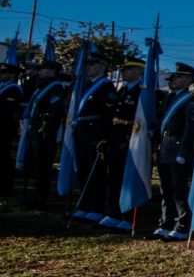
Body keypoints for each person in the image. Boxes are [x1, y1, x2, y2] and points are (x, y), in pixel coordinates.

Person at [153, 62, 194, 241]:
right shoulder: (169, 98)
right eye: (173, 77)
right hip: (165, 147)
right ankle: (165, 222)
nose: (173, 80)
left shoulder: (191, 100)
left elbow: (190, 129)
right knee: (165, 189)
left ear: (189, 80)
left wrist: (182, 152)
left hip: (178, 149)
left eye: (178, 77)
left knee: (179, 190)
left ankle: (182, 224)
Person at [97, 58, 144, 230]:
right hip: (116, 139)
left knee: (128, 179)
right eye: (124, 69)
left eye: (129, 69)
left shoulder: (142, 92)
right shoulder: (123, 90)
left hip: (130, 140)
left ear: (139, 71)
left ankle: (127, 215)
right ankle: (113, 213)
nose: (125, 72)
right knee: (114, 178)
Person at [71, 54, 118, 221]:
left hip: (95, 133)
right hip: (81, 131)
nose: (88, 67)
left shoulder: (106, 87)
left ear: (102, 66)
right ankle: (84, 205)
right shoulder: (85, 85)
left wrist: (101, 136)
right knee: (83, 170)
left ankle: (96, 208)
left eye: (92, 64)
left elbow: (107, 114)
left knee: (96, 172)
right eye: (88, 65)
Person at [21, 60, 67, 208]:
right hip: (34, 127)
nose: (40, 71)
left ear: (53, 70)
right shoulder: (41, 85)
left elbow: (56, 110)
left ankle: (42, 197)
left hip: (44, 129)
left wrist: (48, 130)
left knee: (42, 164)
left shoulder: (56, 86)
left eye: (44, 68)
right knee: (34, 162)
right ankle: (34, 194)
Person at [0, 62, 22, 196]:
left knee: (3, 158)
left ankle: (5, 187)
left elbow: (7, 111)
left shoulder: (13, 89)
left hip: (4, 128)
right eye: (2, 72)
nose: (2, 75)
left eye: (6, 72)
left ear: (13, 75)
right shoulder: (3, 87)